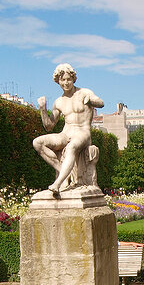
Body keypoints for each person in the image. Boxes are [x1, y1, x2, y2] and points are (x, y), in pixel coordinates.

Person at [34, 63, 104, 196]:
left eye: (68, 79)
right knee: (37, 143)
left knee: (71, 147)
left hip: (83, 132)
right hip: (66, 133)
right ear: (58, 81)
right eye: (62, 80)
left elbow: (101, 102)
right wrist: (43, 109)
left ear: (73, 79)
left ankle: (58, 183)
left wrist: (91, 100)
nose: (66, 83)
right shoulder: (59, 101)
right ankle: (63, 171)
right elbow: (49, 126)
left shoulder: (84, 92)